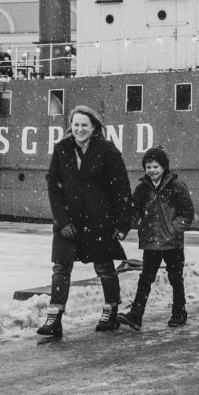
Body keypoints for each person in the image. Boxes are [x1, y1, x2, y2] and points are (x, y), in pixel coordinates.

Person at [36, 106, 132, 339]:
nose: (79, 129)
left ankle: (110, 311)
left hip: (99, 220)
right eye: (76, 124)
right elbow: (54, 188)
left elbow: (121, 189)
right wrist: (62, 220)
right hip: (68, 222)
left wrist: (122, 224)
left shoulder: (108, 151)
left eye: (84, 125)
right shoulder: (62, 149)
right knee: (61, 267)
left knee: (104, 268)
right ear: (71, 126)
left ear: (94, 127)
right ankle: (54, 318)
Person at [118, 146, 195, 331]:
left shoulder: (177, 187)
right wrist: (123, 228)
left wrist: (175, 229)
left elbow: (187, 212)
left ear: (164, 167)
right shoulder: (143, 189)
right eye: (148, 166)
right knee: (145, 279)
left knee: (175, 278)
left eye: (155, 166)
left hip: (172, 243)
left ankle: (179, 313)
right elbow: (134, 211)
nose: (152, 170)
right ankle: (136, 316)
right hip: (151, 242)